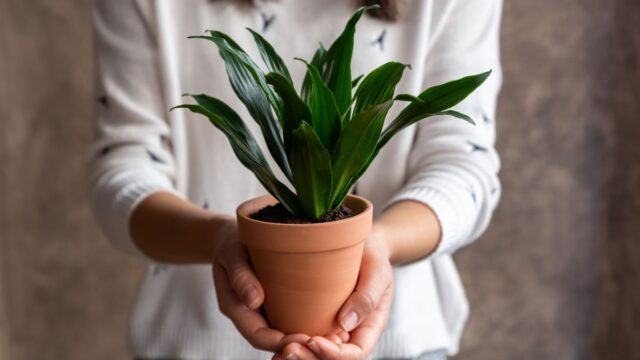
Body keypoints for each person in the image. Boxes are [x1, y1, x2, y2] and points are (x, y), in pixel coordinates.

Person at [89, 0, 502, 359]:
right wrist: (218, 238)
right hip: (190, 343)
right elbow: (124, 164)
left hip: (397, 343)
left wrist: (380, 244)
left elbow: (463, 163)